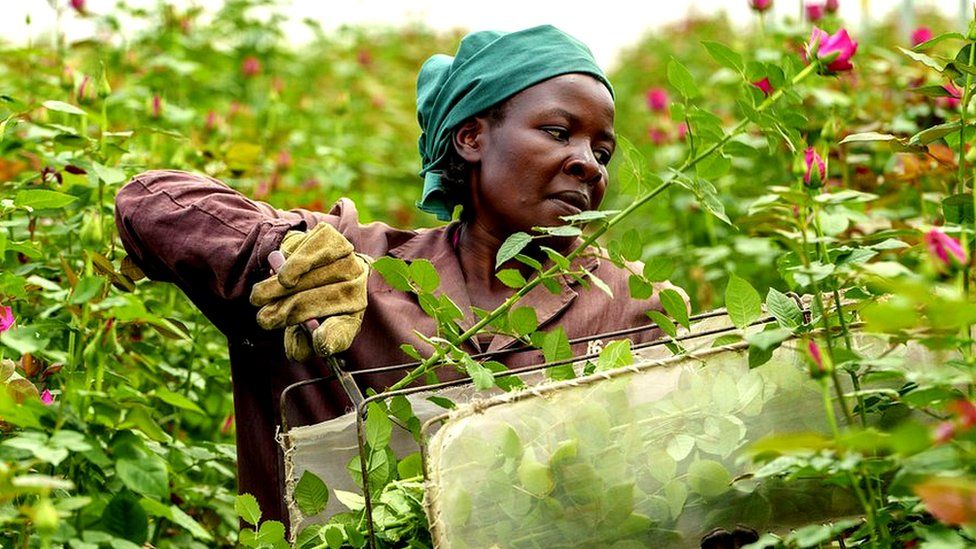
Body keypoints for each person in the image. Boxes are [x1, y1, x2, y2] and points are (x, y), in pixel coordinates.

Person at [115, 25, 684, 527]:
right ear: (471, 137)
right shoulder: (358, 267)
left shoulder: (630, 309)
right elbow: (149, 202)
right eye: (559, 132)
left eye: (603, 151)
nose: (588, 163)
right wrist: (279, 252)